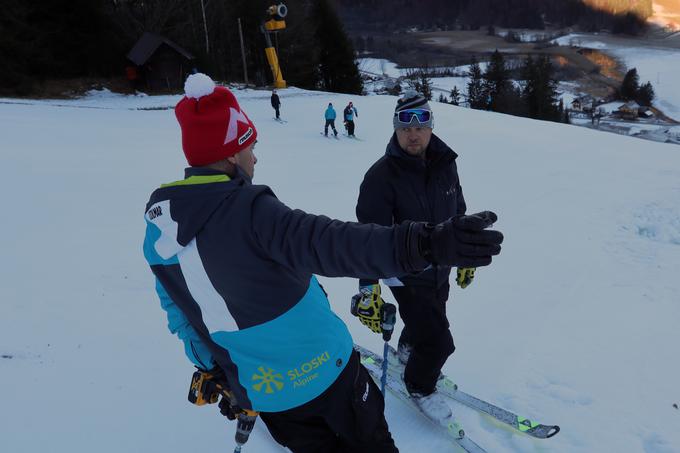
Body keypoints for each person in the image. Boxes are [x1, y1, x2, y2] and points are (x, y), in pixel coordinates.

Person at [142, 74, 503, 452]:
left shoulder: (158, 233)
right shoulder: (252, 211)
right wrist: (428, 243)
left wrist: (218, 370)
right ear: (232, 153)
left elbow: (182, 316)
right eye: (250, 146)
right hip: (329, 371)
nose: (255, 156)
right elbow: (337, 242)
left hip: (270, 395)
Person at [354, 90, 477, 423]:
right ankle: (419, 384)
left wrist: (465, 255)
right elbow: (368, 235)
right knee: (440, 343)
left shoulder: (445, 164)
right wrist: (368, 286)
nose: (413, 132)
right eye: (405, 125)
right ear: (395, 129)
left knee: (430, 318)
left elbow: (458, 209)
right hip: (405, 273)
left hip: (441, 268)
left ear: (430, 126)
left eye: (421, 123)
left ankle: (408, 353)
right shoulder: (381, 177)